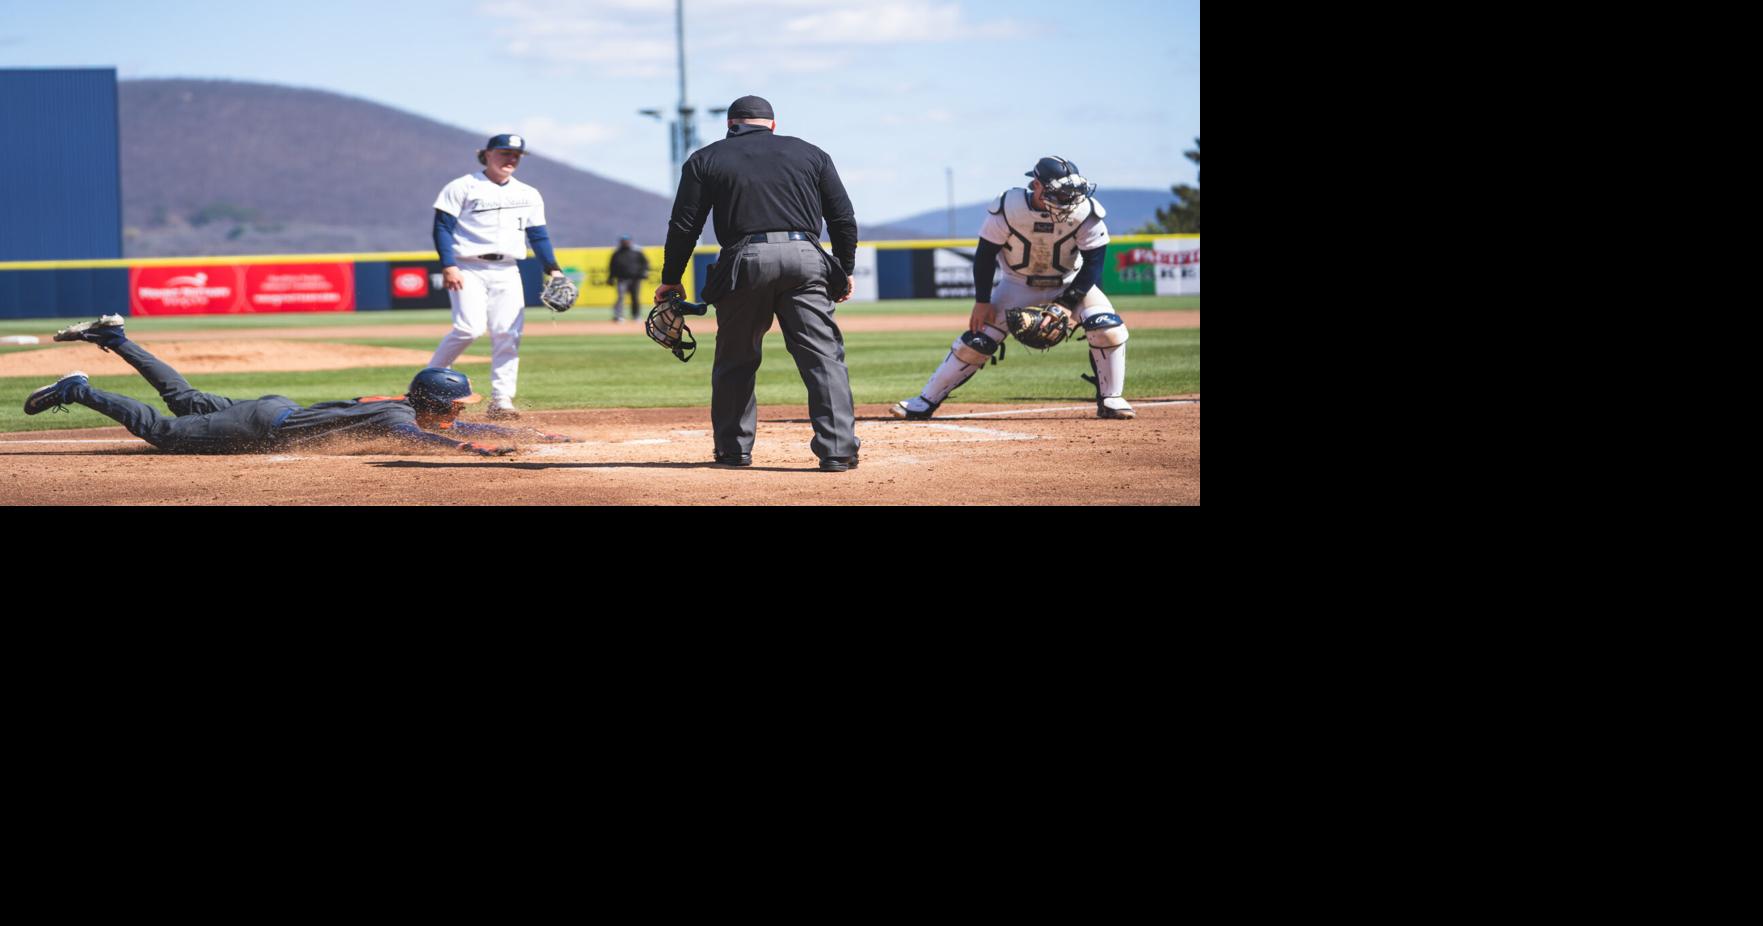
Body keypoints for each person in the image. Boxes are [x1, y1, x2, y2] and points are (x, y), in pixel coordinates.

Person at [654, 95, 861, 471]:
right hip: (805, 258)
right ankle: (839, 451)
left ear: (731, 125)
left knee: (737, 358)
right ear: (773, 125)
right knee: (822, 357)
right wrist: (844, 268)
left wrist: (671, 279)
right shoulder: (811, 154)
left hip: (745, 260)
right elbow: (843, 218)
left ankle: (734, 450)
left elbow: (685, 225)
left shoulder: (706, 158)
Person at [28, 315, 575, 455]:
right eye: (455, 406)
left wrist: (535, 439)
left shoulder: (401, 405)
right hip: (262, 424)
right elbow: (427, 440)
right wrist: (466, 445)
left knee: (184, 396)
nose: (459, 412)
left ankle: (115, 337)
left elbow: (441, 426)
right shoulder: (397, 420)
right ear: (433, 402)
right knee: (167, 430)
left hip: (276, 409)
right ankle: (80, 389)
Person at [890, 156, 1134, 421]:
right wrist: (982, 301)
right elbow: (984, 257)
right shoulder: (1009, 208)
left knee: (1106, 326)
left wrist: (1066, 303)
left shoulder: (1086, 211)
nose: (1068, 201)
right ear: (1036, 185)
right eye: (1059, 193)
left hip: (1070, 282)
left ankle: (1111, 398)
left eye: (1070, 194)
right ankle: (924, 401)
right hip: (1017, 284)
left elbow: (1094, 266)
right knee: (976, 342)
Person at [429, 133, 567, 420]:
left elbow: (538, 236)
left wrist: (552, 268)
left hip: (507, 268)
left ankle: (502, 401)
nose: (511, 159)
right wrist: (448, 264)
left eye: (516, 155)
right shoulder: (463, 186)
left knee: (508, 333)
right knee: (469, 328)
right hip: (468, 266)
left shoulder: (528, 193)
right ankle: (427, 386)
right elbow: (442, 227)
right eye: (505, 153)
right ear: (487, 154)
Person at [608, 235, 650, 322]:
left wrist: (644, 272)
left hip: (635, 279)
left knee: (635, 298)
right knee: (620, 297)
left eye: (626, 241)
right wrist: (611, 277)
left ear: (630, 242)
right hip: (622, 279)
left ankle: (636, 315)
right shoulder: (617, 253)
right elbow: (612, 266)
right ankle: (618, 316)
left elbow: (645, 263)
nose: (625, 243)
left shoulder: (637, 252)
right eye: (623, 241)